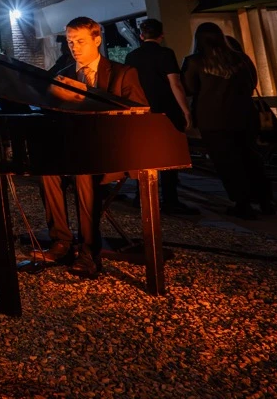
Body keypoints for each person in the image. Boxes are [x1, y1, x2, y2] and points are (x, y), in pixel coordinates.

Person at [35, 17, 147, 278]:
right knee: (47, 171)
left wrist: (96, 104)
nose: (74, 47)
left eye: (81, 41)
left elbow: (139, 115)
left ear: (97, 40)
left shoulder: (123, 73)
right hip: (74, 151)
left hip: (111, 153)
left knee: (84, 173)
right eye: (71, 42)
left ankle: (89, 252)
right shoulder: (63, 76)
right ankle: (61, 242)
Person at [182, 23, 275, 219]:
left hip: (212, 120)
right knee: (250, 158)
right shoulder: (240, 59)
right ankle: (265, 200)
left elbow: (189, 88)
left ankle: (242, 203)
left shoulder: (194, 61)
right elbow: (252, 84)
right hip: (244, 116)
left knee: (227, 162)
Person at [123, 18, 199, 215]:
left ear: (141, 35)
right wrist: (186, 110)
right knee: (168, 154)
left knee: (145, 154)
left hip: (141, 110)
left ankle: (142, 196)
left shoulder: (132, 57)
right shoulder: (166, 54)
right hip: (166, 109)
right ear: (161, 35)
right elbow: (175, 83)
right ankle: (170, 198)